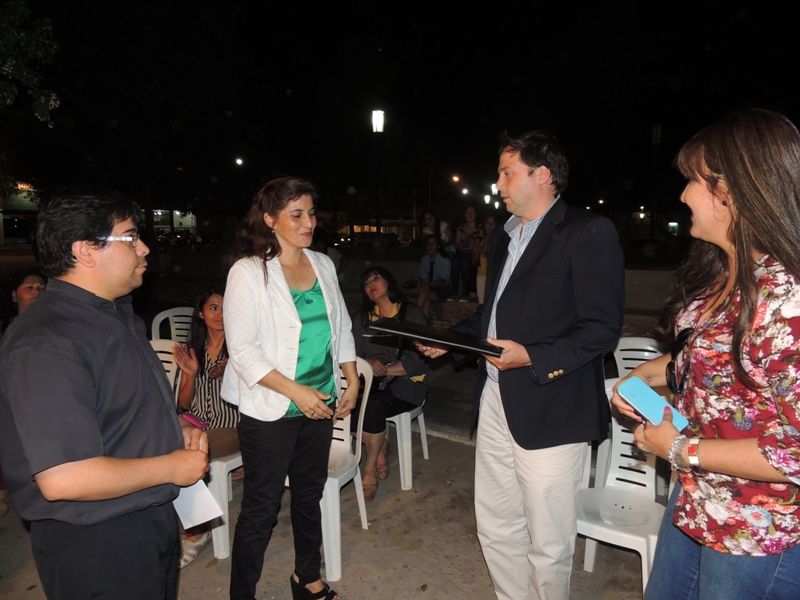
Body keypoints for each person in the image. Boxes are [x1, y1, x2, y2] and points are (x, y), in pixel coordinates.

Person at [418, 130, 624, 600]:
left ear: (542, 175)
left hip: (553, 406)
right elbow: (492, 315)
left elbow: (601, 328)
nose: (499, 183)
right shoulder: (505, 236)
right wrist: (449, 342)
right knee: (496, 524)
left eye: (508, 173)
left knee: (548, 539)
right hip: (495, 395)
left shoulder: (588, 232)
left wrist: (531, 356)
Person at [611, 109, 800, 599]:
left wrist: (679, 448)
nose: (683, 195)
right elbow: (701, 361)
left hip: (753, 533)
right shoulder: (725, 277)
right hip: (697, 499)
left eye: (693, 181)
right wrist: (639, 380)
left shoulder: (787, 305)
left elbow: (794, 452)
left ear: (733, 190)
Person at [0, 187, 209, 600]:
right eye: (130, 237)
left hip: (149, 516)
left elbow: (118, 409)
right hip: (97, 540)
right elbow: (64, 477)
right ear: (85, 250)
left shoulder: (116, 315)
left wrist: (174, 429)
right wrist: (170, 466)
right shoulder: (46, 341)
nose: (144, 248)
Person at [222, 176, 359, 600]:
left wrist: (351, 376)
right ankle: (241, 594)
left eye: (311, 213)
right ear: (270, 219)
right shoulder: (248, 273)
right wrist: (296, 392)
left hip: (320, 403)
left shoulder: (322, 264)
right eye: (296, 215)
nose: (308, 223)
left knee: (308, 495)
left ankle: (306, 576)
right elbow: (243, 352)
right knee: (261, 508)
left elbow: (340, 326)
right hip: (271, 408)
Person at [172, 287, 239, 568]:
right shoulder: (194, 349)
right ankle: (181, 516)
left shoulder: (239, 345)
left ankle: (198, 530)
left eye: (224, 307)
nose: (220, 314)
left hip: (232, 426)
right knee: (161, 442)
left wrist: (231, 375)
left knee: (190, 450)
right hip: (198, 421)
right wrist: (190, 374)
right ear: (201, 314)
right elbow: (183, 404)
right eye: (213, 308)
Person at [352, 266, 429, 501]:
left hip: (406, 384)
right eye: (366, 283)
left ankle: (369, 471)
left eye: (375, 278)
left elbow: (418, 360)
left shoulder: (410, 314)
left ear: (389, 282)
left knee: (372, 407)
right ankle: (381, 445)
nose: (370, 285)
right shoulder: (363, 319)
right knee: (343, 409)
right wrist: (367, 362)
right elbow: (352, 354)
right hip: (371, 384)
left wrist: (385, 370)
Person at [0, 268, 47, 519]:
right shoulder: (7, 329)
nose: (36, 293)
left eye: (41, 288)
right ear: (14, 296)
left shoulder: (53, 326)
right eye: (30, 288)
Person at [416, 234, 451, 318]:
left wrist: (428, 284)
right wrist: (425, 285)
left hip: (441, 290)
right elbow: (423, 277)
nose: (430, 246)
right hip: (428, 289)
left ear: (438, 246)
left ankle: (414, 317)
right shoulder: (424, 260)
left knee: (423, 294)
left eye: (433, 244)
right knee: (426, 301)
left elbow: (443, 280)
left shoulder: (445, 261)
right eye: (428, 244)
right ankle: (422, 323)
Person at [475, 214, 496, 304]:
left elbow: (486, 253)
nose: (490, 226)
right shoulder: (480, 239)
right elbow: (475, 259)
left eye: (492, 223)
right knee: (481, 303)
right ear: (484, 225)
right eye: (487, 223)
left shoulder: (499, 240)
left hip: (493, 276)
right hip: (481, 275)